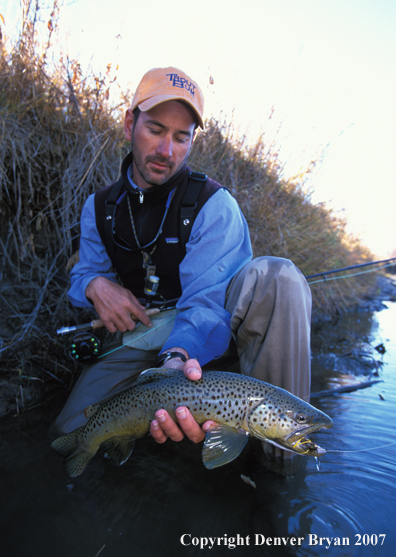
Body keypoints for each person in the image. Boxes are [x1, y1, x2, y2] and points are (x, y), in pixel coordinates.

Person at [55, 66, 312, 475]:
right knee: (70, 431)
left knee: (276, 278)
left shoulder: (214, 205)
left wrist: (176, 360)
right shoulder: (98, 208)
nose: (167, 150)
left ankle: (278, 468)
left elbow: (209, 302)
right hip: (140, 339)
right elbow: (82, 274)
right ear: (129, 123)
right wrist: (93, 285)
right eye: (156, 129)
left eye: (181, 137)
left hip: (205, 340)